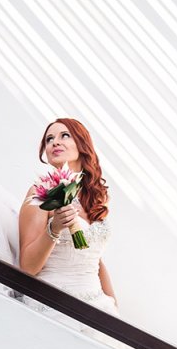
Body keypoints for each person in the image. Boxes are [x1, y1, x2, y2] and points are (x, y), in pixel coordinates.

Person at [19, 118, 118, 313]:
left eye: (64, 135)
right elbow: (27, 267)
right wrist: (54, 228)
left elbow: (95, 259)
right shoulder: (40, 193)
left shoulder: (96, 197)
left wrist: (113, 304)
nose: (55, 142)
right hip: (55, 302)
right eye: (49, 139)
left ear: (82, 143)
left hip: (97, 304)